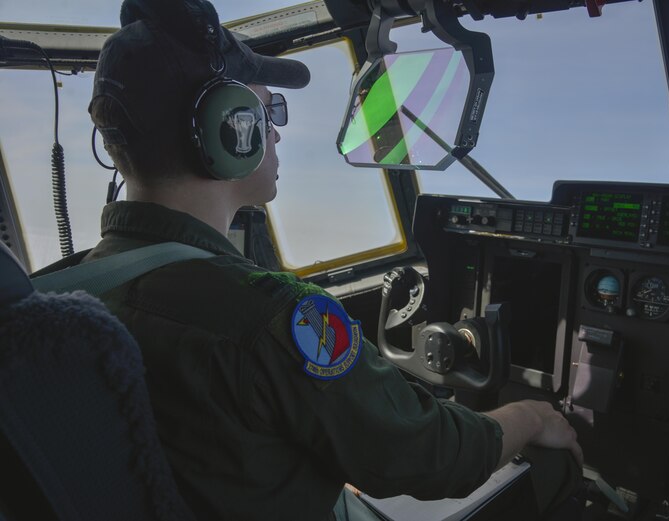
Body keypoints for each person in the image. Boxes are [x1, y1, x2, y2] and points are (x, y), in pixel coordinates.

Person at [77, 0, 583, 519]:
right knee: (552, 472)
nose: (276, 132)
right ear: (230, 127)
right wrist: (529, 415)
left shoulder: (71, 291)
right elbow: (431, 457)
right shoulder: (266, 316)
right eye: (268, 111)